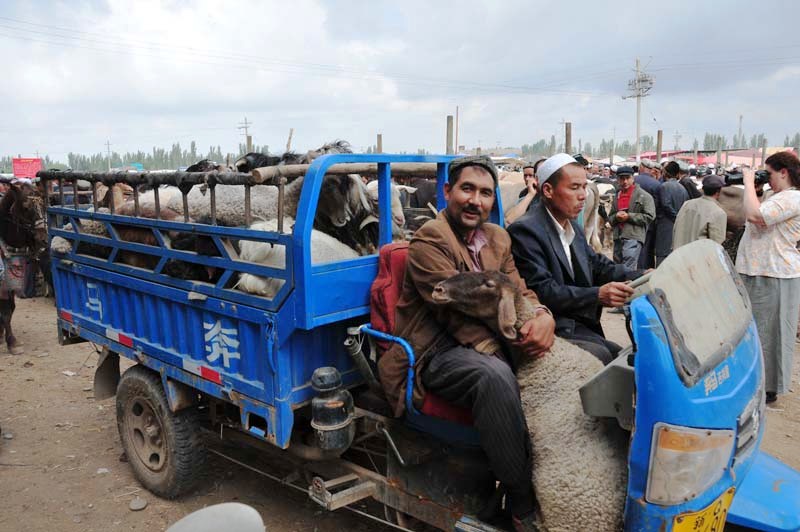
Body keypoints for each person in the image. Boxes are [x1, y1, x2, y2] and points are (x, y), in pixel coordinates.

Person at [377, 155, 555, 531]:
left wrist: (542, 318)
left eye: (486, 193)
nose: (476, 200)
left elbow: (519, 290)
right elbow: (452, 315)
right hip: (434, 349)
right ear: (447, 192)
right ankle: (521, 500)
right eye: (467, 189)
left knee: (574, 356)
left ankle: (552, 472)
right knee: (494, 377)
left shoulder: (499, 237)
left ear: (494, 200)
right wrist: (509, 352)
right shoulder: (430, 239)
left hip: (490, 335)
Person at [508, 153, 644, 365]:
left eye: (584, 187)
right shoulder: (526, 231)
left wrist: (642, 274)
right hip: (554, 325)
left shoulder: (573, 228)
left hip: (578, 324)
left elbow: (599, 265)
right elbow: (544, 291)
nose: (583, 195)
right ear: (548, 190)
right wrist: (597, 295)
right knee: (605, 358)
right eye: (574, 188)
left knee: (628, 356)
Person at [735, 151, 800, 404]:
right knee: (755, 332)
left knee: (771, 334)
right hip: (758, 269)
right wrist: (757, 190)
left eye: (769, 174)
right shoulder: (777, 197)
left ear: (783, 172)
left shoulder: (793, 198)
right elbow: (754, 212)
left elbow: (756, 217)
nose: (767, 179)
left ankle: (768, 387)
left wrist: (749, 181)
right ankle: (755, 381)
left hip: (774, 273)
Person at [608, 166, 655, 270]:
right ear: (618, 179)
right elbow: (610, 218)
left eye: (627, 178)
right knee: (618, 268)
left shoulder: (644, 196)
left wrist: (629, 216)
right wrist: (616, 217)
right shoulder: (617, 196)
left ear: (633, 178)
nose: (625, 181)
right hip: (618, 237)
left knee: (628, 269)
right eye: (621, 178)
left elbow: (650, 216)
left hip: (633, 236)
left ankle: (628, 285)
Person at [672, 174, 727, 248]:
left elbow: (675, 229)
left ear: (703, 189)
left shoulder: (687, 204)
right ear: (718, 191)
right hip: (700, 257)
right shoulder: (718, 213)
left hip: (678, 255)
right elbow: (717, 244)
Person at [654, 161, 689, 265]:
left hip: (666, 227)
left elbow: (666, 205)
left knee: (662, 259)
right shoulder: (683, 188)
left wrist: (675, 217)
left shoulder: (664, 186)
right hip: (679, 227)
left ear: (665, 172)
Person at [635, 159, 662, 268]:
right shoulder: (656, 184)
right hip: (650, 221)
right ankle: (646, 270)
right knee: (648, 248)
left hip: (632, 221)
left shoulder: (633, 180)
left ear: (641, 167)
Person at [505, 159, 543, 224]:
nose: (527, 179)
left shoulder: (543, 194)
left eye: (530, 175)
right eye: (525, 175)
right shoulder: (524, 193)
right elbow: (509, 217)